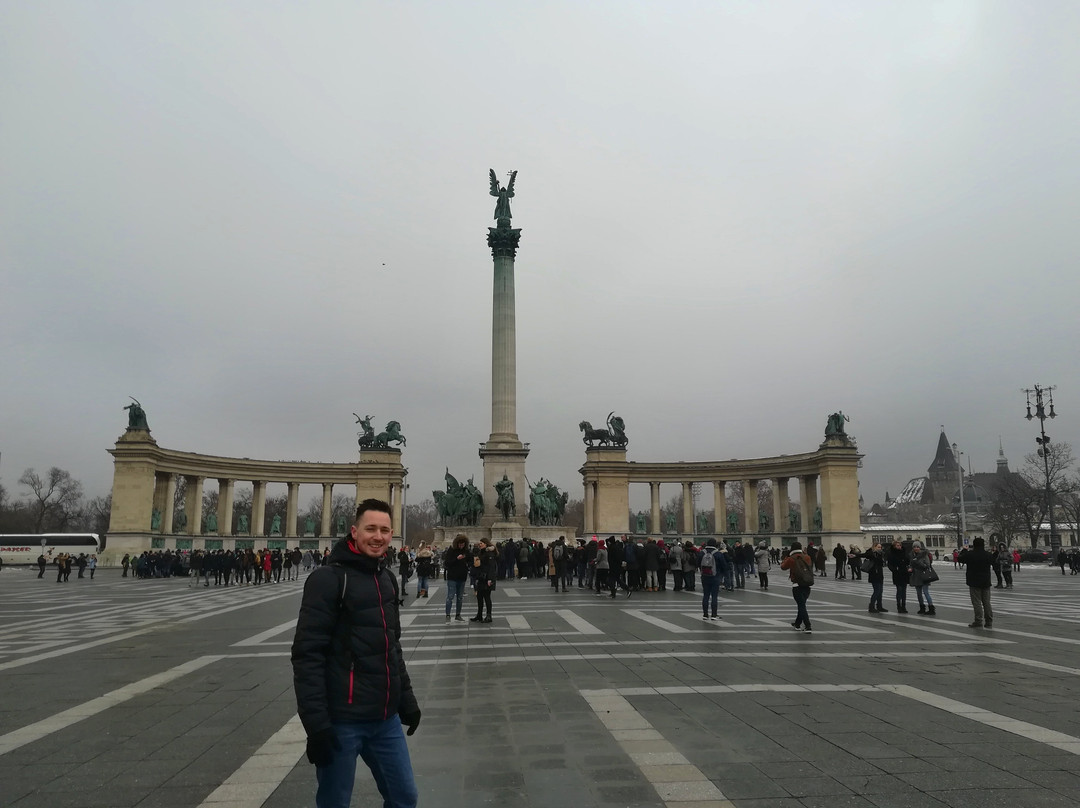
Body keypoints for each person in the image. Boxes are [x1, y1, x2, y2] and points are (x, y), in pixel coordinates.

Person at [291, 498, 420, 808]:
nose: (378, 536)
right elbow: (307, 655)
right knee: (335, 802)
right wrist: (317, 725)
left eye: (385, 530)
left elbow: (392, 646)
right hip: (342, 719)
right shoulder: (328, 579)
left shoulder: (386, 579)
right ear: (354, 531)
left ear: (391, 534)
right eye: (371, 529)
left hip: (384, 717)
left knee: (405, 798)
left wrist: (407, 700)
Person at [961, 537, 994, 628]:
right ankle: (989, 621)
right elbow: (994, 561)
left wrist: (964, 550)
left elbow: (960, 558)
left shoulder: (970, 554)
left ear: (974, 545)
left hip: (974, 581)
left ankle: (978, 620)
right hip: (986, 581)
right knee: (987, 602)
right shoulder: (987, 555)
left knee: (977, 602)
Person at [780, 542, 814, 633]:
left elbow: (783, 567)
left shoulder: (792, 558)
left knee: (801, 605)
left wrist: (786, 558)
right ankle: (797, 624)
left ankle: (808, 625)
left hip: (797, 585)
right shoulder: (807, 557)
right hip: (807, 584)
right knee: (802, 604)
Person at [443, 535, 470, 622]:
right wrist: (456, 559)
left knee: (460, 597)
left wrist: (467, 560)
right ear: (457, 543)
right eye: (460, 544)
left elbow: (470, 560)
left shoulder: (466, 551)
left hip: (462, 577)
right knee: (450, 596)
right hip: (452, 577)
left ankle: (458, 614)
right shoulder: (451, 550)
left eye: (463, 544)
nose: (461, 546)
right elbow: (447, 563)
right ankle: (448, 615)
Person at [470, 539, 497, 623]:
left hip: (487, 578)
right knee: (479, 597)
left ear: (486, 544)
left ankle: (489, 616)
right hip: (481, 577)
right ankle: (479, 615)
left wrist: (490, 579)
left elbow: (491, 567)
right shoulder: (481, 552)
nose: (480, 544)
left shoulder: (489, 553)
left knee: (487, 597)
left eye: (481, 543)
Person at [698, 539, 726, 620]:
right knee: (714, 596)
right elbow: (724, 565)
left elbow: (697, 563)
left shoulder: (702, 553)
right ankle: (714, 615)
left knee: (705, 595)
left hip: (704, 576)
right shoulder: (718, 553)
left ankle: (705, 614)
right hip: (715, 576)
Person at [909, 543, 936, 615]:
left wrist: (918, 562)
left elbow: (927, 565)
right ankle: (922, 607)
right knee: (918, 593)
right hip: (916, 576)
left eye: (917, 547)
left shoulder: (924, 555)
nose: (916, 548)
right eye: (914, 547)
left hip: (924, 576)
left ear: (920, 548)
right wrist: (910, 568)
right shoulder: (912, 555)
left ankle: (931, 608)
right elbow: (910, 564)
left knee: (925, 592)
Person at [886, 540, 910, 613]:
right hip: (897, 574)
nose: (899, 547)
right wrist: (894, 569)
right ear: (894, 546)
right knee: (899, 590)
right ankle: (899, 606)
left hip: (904, 573)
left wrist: (908, 567)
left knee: (904, 591)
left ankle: (904, 606)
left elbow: (908, 561)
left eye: (900, 545)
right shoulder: (892, 554)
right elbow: (889, 564)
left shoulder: (904, 552)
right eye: (897, 545)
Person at [865, 542, 887, 613]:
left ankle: (879, 606)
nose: (880, 548)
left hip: (880, 575)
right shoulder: (872, 554)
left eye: (880, 547)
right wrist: (855, 555)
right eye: (878, 547)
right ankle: (871, 606)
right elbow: (865, 555)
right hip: (874, 575)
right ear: (874, 547)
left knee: (880, 591)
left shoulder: (881, 554)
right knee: (876, 591)